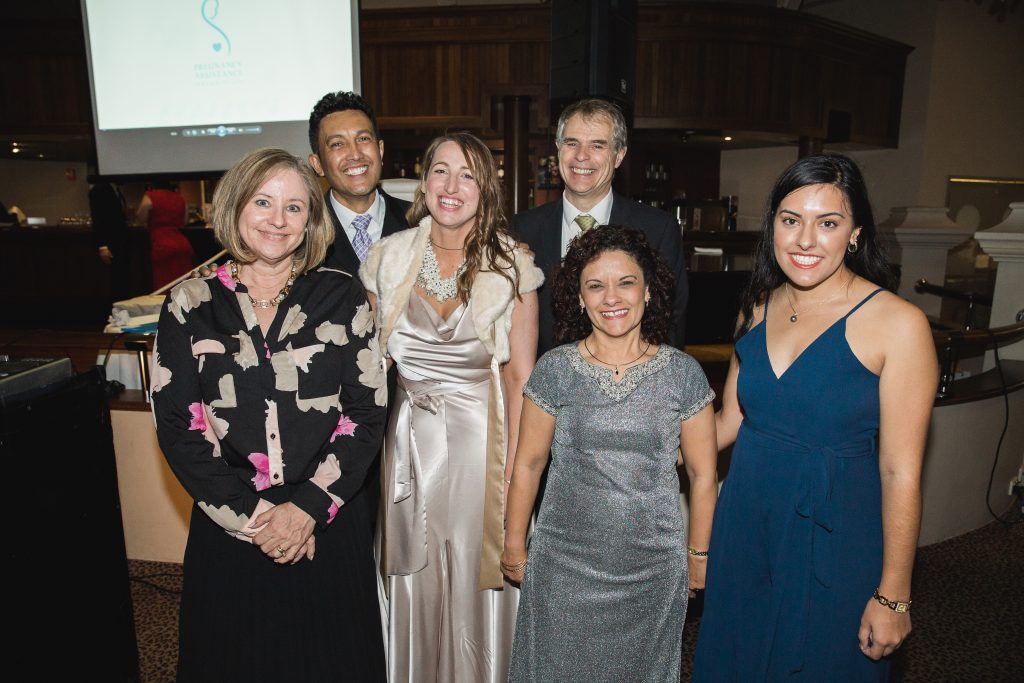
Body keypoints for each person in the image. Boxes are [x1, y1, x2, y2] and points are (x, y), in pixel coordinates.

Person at [692, 153, 938, 681]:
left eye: (828, 223)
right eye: (790, 220)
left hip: (834, 536)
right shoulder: (757, 305)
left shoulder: (899, 324)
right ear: (773, 227)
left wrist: (894, 594)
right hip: (745, 525)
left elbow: (901, 472)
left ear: (855, 234)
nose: (805, 240)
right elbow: (726, 424)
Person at [151, 148, 387, 682]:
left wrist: (304, 509)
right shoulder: (190, 303)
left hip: (326, 522)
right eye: (263, 202)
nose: (278, 220)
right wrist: (259, 522)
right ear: (236, 206)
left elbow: (366, 415)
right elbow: (179, 428)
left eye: (295, 207)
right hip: (232, 523)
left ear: (310, 221)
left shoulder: (342, 296)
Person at [359, 131, 543, 682]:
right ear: (423, 181)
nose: (451, 186)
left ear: (485, 189)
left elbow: (521, 382)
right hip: (408, 441)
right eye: (441, 170)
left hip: (481, 446)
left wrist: (514, 477)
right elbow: (370, 370)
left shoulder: (514, 267)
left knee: (473, 571)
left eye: (467, 174)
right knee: (411, 570)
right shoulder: (387, 260)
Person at [501, 225, 719, 682]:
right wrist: (514, 542)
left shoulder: (683, 375)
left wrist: (698, 555)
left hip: (651, 569)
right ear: (579, 298)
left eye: (625, 282)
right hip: (564, 565)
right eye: (594, 285)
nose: (610, 297)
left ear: (649, 292)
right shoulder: (556, 369)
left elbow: (702, 475)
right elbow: (528, 465)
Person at [512, 97, 688, 355]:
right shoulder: (522, 229)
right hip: (544, 386)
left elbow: (670, 325)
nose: (581, 156)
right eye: (572, 143)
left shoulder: (657, 230)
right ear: (559, 148)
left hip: (631, 388)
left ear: (619, 155)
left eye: (597, 145)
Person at [307, 91, 412, 273]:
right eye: (337, 144)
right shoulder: (303, 233)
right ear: (317, 165)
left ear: (380, 150)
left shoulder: (419, 221)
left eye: (363, 139)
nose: (355, 154)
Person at [137, 179, 193, 290]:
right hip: (182, 243)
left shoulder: (150, 196)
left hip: (162, 243)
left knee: (164, 284)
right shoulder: (179, 197)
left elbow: (140, 217)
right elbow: (185, 220)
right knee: (184, 284)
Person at [88, 175, 132, 300]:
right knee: (116, 280)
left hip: (120, 242)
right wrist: (102, 245)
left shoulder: (115, 189)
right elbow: (98, 219)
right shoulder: (99, 190)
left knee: (122, 278)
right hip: (111, 243)